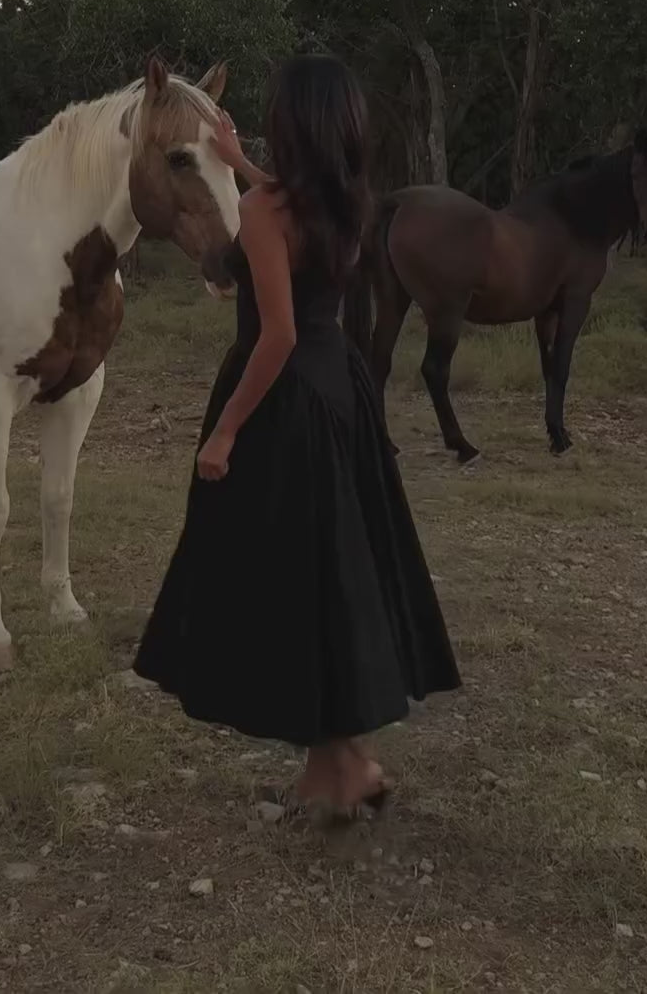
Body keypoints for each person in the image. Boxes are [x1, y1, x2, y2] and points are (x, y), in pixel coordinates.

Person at [133, 54, 459, 815]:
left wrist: (224, 432)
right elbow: (288, 223)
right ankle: (342, 766)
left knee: (277, 577)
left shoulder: (264, 213)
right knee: (326, 571)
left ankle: (346, 763)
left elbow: (273, 335)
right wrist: (238, 159)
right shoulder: (348, 201)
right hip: (340, 389)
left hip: (283, 401)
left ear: (294, 125)